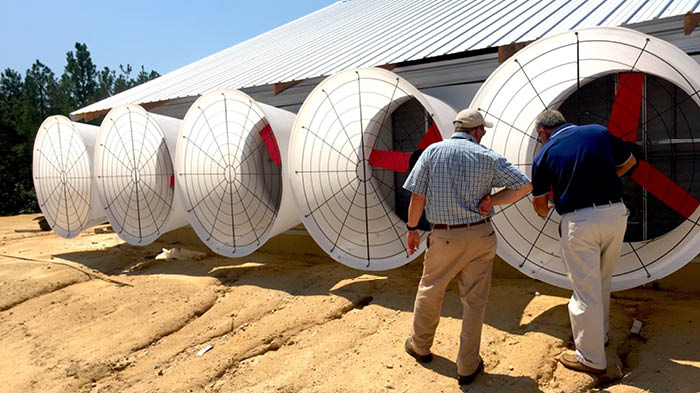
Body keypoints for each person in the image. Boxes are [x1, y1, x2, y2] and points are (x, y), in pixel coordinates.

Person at [402, 108, 532, 385]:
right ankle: (467, 366)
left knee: (431, 288)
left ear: (457, 127)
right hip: (481, 236)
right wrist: (492, 202)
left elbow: (417, 195)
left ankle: (420, 346)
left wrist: (413, 230)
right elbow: (524, 186)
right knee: (474, 301)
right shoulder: (488, 156)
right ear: (478, 131)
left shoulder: (432, 152)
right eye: (483, 130)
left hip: (445, 237)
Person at [530, 109, 637, 375]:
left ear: (543, 132)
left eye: (539, 137)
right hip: (615, 214)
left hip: (580, 222)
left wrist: (550, 206)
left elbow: (540, 205)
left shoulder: (544, 153)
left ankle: (590, 359)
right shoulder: (597, 132)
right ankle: (600, 337)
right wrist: (607, 179)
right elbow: (630, 161)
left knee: (584, 290)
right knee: (602, 279)